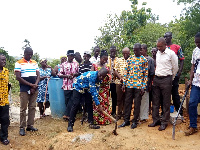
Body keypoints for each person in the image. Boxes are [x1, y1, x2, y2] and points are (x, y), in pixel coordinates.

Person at [148, 38, 178, 131]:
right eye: (158, 46)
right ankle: (156, 120)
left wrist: (170, 78)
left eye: (160, 46)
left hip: (166, 79)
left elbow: (175, 67)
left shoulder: (171, 54)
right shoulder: (157, 53)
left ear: (165, 45)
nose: (159, 48)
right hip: (157, 78)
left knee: (166, 102)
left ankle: (164, 122)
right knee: (155, 101)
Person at [67, 67, 109, 132]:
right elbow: (93, 90)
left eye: (102, 77)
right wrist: (99, 105)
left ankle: (91, 123)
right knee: (76, 104)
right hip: (78, 86)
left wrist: (95, 100)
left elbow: (96, 89)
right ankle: (70, 125)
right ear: (98, 72)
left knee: (89, 103)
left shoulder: (100, 78)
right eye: (100, 75)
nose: (101, 77)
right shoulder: (92, 76)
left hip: (86, 88)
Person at [118, 43, 148, 129]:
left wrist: (143, 86)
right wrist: (124, 84)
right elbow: (126, 72)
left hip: (138, 86)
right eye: (134, 50)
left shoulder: (143, 60)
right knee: (127, 103)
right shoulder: (130, 59)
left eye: (136, 50)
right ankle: (126, 120)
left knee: (137, 104)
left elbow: (146, 74)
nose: (135, 51)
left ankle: (135, 121)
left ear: (140, 50)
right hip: (129, 85)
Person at [14, 47, 40, 136]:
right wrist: (30, 85)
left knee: (32, 107)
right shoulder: (18, 63)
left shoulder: (34, 63)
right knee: (23, 108)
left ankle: (30, 125)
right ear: (24, 53)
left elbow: (38, 76)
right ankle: (22, 127)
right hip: (24, 89)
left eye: (31, 54)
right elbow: (18, 77)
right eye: (29, 54)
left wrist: (35, 85)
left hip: (34, 88)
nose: (30, 56)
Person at [164, 32, 185, 116]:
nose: (165, 38)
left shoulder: (177, 47)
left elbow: (182, 59)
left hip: (174, 75)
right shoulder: (162, 48)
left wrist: (179, 72)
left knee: (175, 93)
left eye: (167, 36)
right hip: (165, 75)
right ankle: (165, 112)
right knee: (165, 94)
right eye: (164, 36)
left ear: (171, 37)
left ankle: (180, 112)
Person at [184, 32, 200, 136]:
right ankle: (193, 126)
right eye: (196, 42)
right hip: (196, 83)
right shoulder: (195, 51)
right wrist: (190, 80)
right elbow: (193, 67)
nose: (197, 44)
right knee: (192, 103)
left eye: (199, 42)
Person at [91, 50, 112, 125]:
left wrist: (106, 77)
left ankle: (105, 120)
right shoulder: (94, 66)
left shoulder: (107, 67)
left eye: (106, 60)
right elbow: (92, 76)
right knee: (97, 104)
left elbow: (110, 76)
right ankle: (97, 120)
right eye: (104, 59)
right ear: (100, 58)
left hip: (105, 89)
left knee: (105, 104)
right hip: (97, 89)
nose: (105, 61)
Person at [58, 50, 79, 121]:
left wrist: (74, 75)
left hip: (74, 85)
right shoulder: (63, 65)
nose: (71, 57)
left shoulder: (76, 64)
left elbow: (78, 73)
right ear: (67, 56)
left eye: (73, 56)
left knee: (72, 100)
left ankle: (68, 115)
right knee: (67, 101)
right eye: (70, 55)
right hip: (66, 85)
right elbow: (59, 74)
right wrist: (67, 76)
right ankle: (68, 116)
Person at [139, 44, 155, 122]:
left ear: (145, 50)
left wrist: (149, 85)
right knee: (138, 99)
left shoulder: (150, 60)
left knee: (145, 100)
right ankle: (138, 115)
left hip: (146, 82)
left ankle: (144, 117)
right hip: (137, 82)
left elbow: (152, 73)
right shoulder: (138, 58)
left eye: (141, 49)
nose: (140, 51)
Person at [114, 47, 130, 120]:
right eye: (124, 53)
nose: (125, 54)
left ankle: (125, 114)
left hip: (129, 83)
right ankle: (119, 114)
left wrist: (126, 79)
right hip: (119, 82)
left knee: (127, 99)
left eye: (127, 53)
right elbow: (115, 70)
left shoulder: (131, 60)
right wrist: (120, 78)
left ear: (129, 53)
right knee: (119, 99)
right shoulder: (118, 60)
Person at [0, 54, 10, 145]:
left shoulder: (6, 71)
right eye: (2, 60)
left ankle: (4, 137)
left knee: (5, 119)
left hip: (4, 100)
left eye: (4, 60)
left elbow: (7, 84)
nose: (4, 61)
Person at [108, 45, 118, 117]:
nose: (112, 53)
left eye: (114, 51)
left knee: (114, 97)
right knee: (107, 97)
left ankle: (114, 112)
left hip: (115, 82)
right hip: (107, 82)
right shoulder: (107, 59)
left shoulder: (118, 59)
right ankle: (107, 111)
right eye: (111, 51)